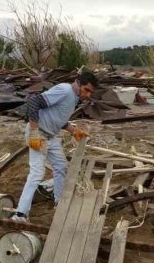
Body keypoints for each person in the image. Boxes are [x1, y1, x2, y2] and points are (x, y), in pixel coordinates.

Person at [13, 70, 98, 222]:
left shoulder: (74, 98)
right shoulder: (64, 90)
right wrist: (34, 132)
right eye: (87, 90)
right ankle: (21, 214)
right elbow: (34, 102)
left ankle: (59, 203)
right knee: (37, 173)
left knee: (61, 167)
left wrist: (74, 131)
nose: (88, 95)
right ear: (78, 83)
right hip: (39, 133)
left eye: (91, 92)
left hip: (51, 137)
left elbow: (58, 117)